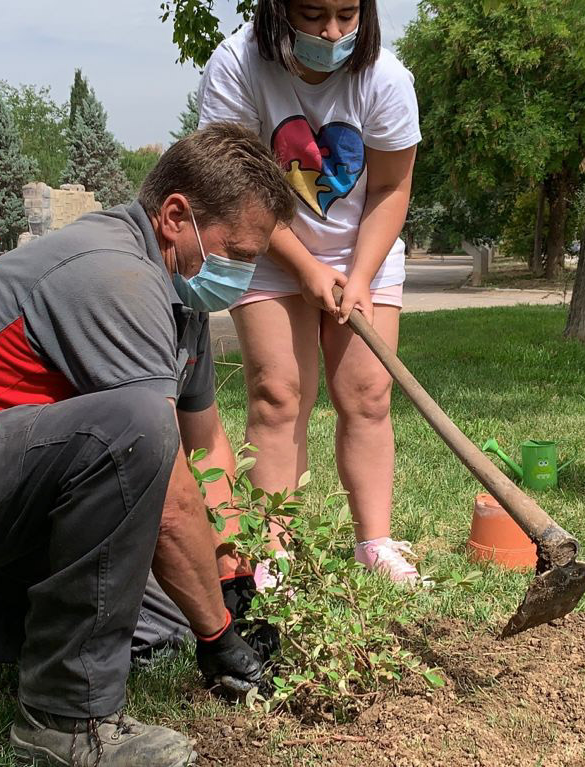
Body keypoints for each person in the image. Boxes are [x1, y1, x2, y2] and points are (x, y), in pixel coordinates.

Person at [0, 124, 295, 767]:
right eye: (237, 251)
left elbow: (208, 441)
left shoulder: (180, 306)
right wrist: (218, 635)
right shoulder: (114, 275)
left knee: (160, 618)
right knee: (135, 428)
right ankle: (65, 724)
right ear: (176, 216)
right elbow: (162, 486)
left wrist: (229, 570)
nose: (242, 274)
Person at [197, 0, 424, 586]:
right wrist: (303, 266)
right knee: (277, 395)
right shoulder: (236, 65)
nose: (332, 32)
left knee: (368, 395)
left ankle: (373, 542)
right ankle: (275, 549)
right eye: (313, 14)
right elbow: (236, 186)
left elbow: (391, 188)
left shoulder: (387, 80)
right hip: (269, 244)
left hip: (363, 251)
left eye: (347, 14)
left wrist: (364, 276)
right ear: (278, 8)